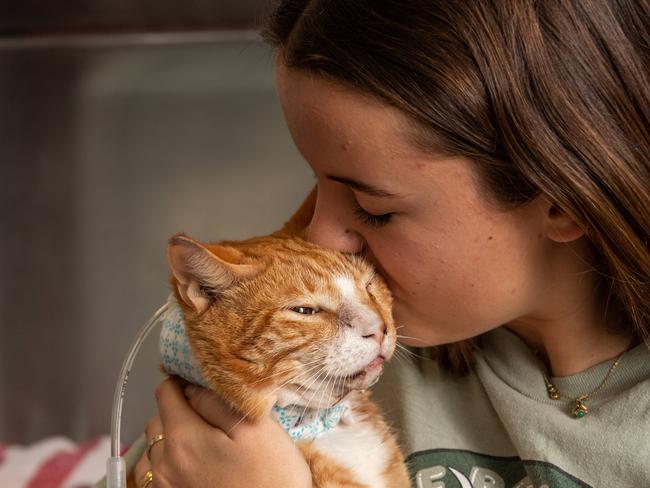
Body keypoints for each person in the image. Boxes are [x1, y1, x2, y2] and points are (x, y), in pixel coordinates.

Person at [132, 1, 649, 486]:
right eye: (316, 187)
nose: (319, 237)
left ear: (562, 201)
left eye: (373, 209)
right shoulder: (325, 365)